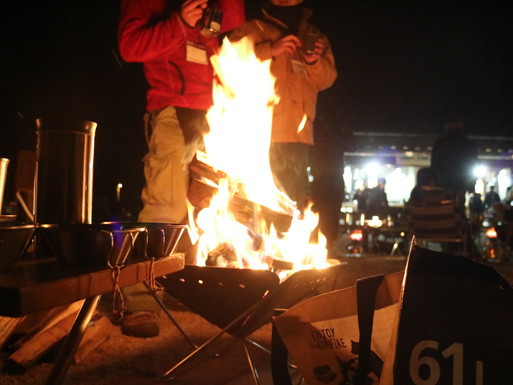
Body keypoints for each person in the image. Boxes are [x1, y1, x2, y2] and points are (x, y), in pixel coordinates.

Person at [117, 0, 245, 338]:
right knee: (165, 207)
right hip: (171, 110)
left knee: (207, 210)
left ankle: (188, 292)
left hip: (215, 115)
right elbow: (130, 47)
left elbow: (236, 23)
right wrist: (178, 22)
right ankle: (140, 302)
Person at [228, 0, 337, 215]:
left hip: (299, 135)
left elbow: (327, 79)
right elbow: (228, 64)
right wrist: (270, 49)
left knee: (292, 203)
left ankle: (286, 247)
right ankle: (252, 247)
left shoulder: (314, 35)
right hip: (259, 135)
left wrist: (313, 61)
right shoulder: (253, 28)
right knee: (256, 205)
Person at [430, 114, 478, 213]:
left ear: (446, 126)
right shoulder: (468, 143)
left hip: (444, 182)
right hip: (462, 182)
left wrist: (436, 182)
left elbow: (434, 164)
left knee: (446, 208)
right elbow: (473, 164)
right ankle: (460, 224)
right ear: (461, 126)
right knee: (460, 207)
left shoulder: (440, 143)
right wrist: (470, 185)